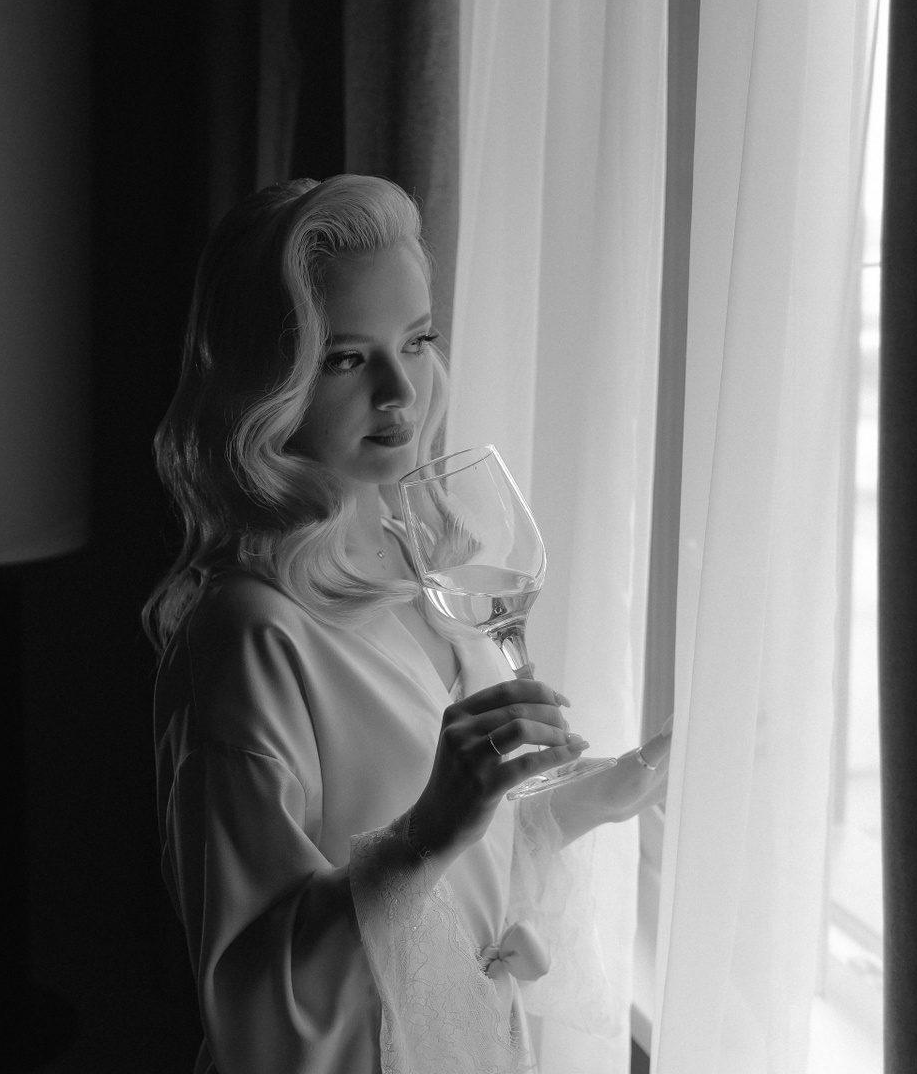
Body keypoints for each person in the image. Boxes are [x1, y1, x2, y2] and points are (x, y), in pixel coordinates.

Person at [147, 175, 671, 1074]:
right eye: (346, 359)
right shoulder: (248, 636)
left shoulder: (423, 563)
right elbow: (252, 1005)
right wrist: (431, 825)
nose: (402, 391)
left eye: (419, 340)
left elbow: (455, 881)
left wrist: (594, 797)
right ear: (269, 382)